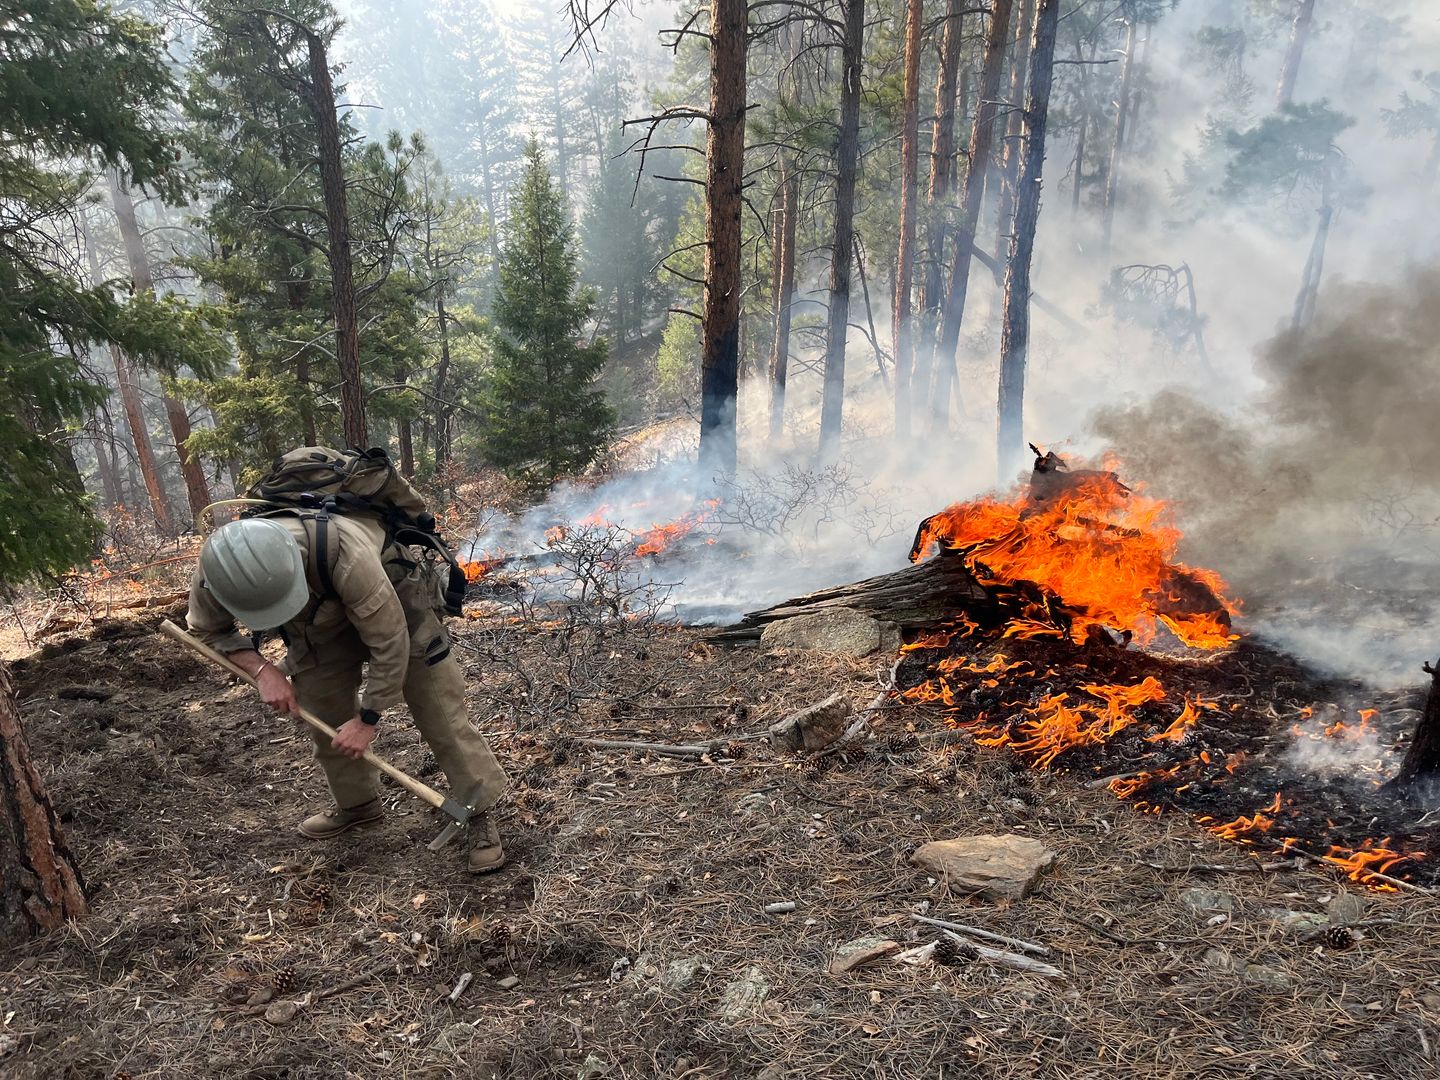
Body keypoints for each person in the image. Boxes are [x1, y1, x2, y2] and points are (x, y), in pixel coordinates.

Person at [185, 512, 509, 873]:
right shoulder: (216, 573)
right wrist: (262, 671)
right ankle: (358, 805)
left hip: (395, 603)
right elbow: (207, 630)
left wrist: (368, 719)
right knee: (322, 706)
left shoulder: (348, 556)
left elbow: (391, 642)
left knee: (439, 710)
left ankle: (478, 811)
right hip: (315, 624)